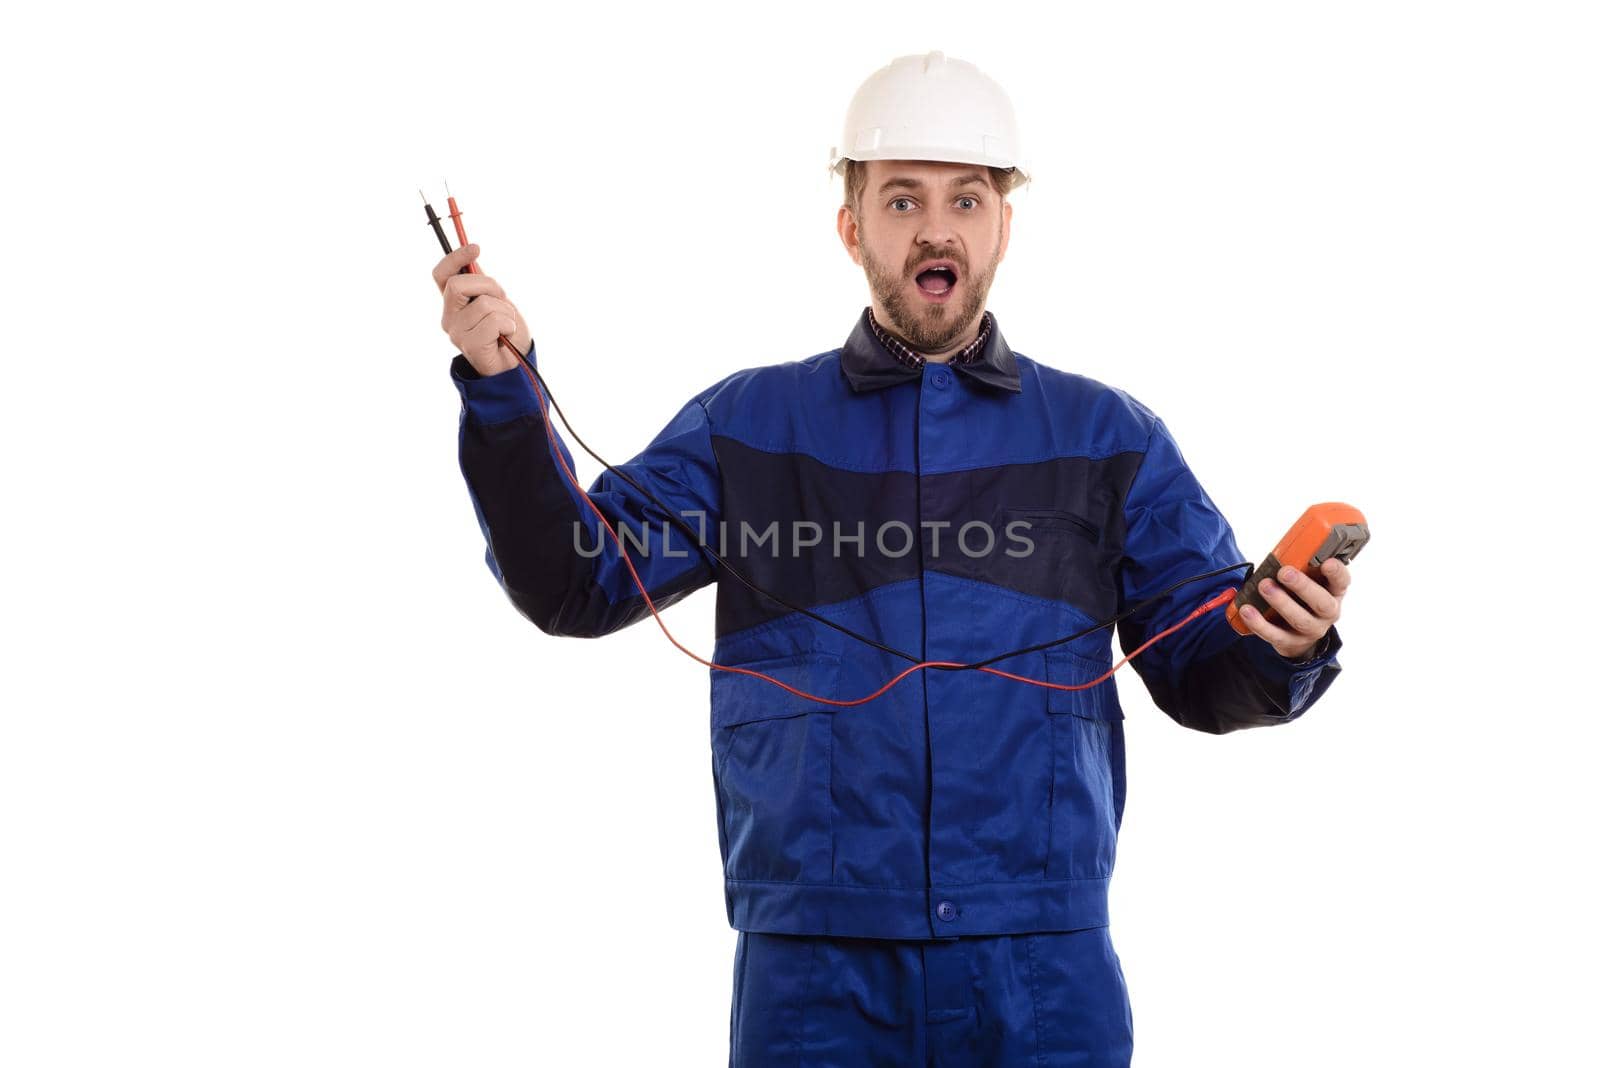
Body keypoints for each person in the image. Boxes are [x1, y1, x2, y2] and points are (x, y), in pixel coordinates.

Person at [433, 50, 1351, 1068]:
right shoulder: (748, 425)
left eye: (966, 198)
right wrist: (501, 394)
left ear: (1003, 225)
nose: (935, 226)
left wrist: (1279, 641)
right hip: (814, 974)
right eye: (901, 197)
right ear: (851, 226)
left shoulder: (1108, 438)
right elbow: (575, 580)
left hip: (1040, 971)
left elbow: (1202, 672)